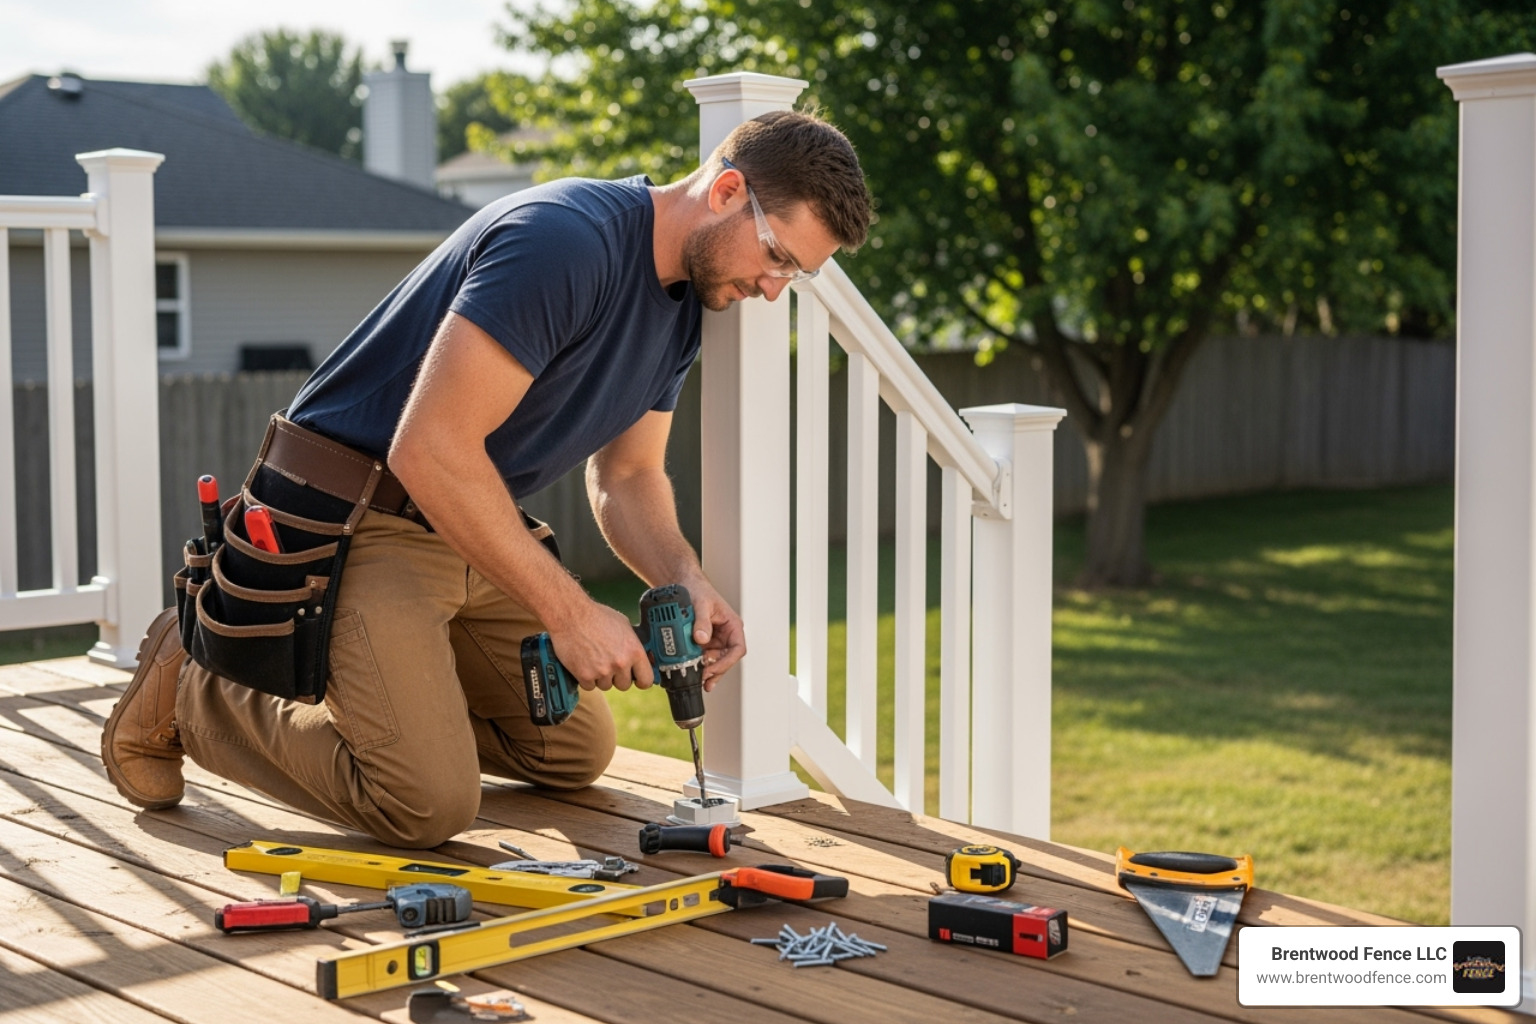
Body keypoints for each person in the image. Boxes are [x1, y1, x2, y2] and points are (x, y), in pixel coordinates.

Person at [99, 109, 872, 848]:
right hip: (359, 515)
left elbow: (628, 473)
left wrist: (684, 577)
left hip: (465, 520)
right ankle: (192, 685)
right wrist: (569, 611)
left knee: (568, 749)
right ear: (728, 191)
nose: (774, 288)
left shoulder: (682, 311)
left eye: (796, 275)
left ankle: (399, 719)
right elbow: (428, 449)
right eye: (777, 256)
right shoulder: (563, 242)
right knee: (424, 802)